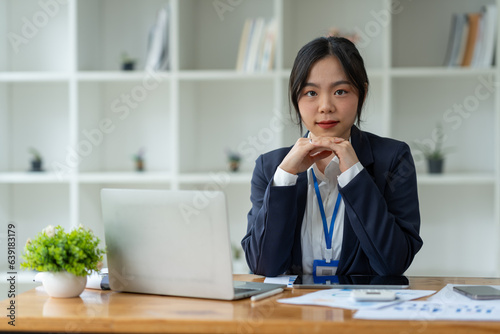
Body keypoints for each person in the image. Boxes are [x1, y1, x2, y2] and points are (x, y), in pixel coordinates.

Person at [241, 36, 423, 277]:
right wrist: (284, 178)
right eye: (310, 93)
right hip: (292, 311)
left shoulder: (393, 159)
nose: (325, 106)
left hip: (361, 311)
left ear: (362, 94)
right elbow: (264, 266)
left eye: (340, 91)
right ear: (296, 98)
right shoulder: (271, 167)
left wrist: (355, 175)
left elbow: (393, 264)